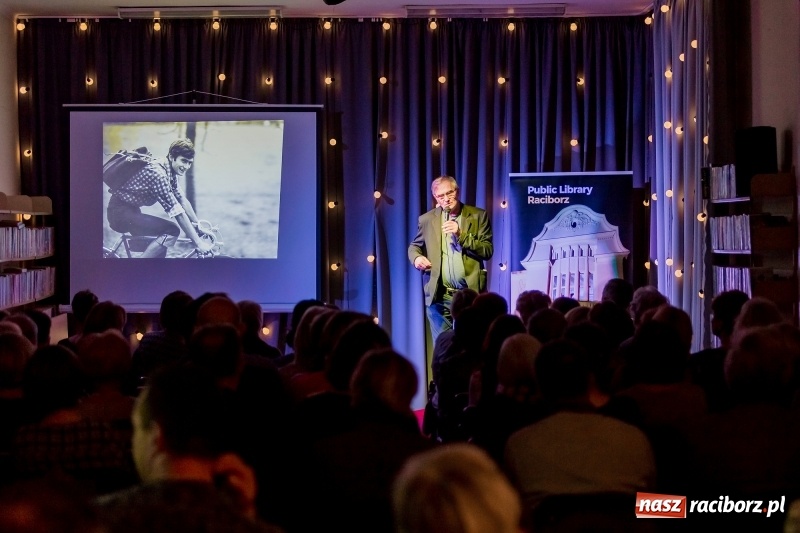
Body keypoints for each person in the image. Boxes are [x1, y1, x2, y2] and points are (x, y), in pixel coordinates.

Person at [408, 175, 493, 343]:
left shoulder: (477, 215)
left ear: (457, 191)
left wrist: (461, 234)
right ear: (435, 198)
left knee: (471, 344)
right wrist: (416, 258)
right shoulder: (427, 219)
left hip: (469, 294)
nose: (446, 199)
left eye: (450, 193)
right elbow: (414, 246)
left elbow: (487, 250)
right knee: (444, 347)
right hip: (440, 295)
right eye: (441, 196)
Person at [106, 138, 213, 258]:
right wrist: (198, 243)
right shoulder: (158, 174)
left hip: (131, 211)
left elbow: (181, 199)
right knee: (171, 230)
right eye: (183, 161)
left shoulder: (169, 170)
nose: (186, 166)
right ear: (172, 157)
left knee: (160, 250)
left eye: (189, 162)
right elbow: (177, 212)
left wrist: (198, 226)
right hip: (120, 213)